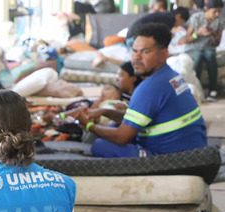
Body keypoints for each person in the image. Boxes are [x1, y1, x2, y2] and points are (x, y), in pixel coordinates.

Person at [78, 22, 207, 158]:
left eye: (145, 52)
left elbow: (122, 137)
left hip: (170, 159)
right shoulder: (171, 76)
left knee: (100, 145)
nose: (137, 58)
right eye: (134, 51)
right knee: (112, 129)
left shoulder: (149, 88)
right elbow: (137, 119)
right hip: (195, 151)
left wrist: (89, 126)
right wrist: (104, 111)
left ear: (163, 55)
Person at [180, 0, 224, 101]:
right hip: (194, 48)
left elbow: (217, 43)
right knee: (198, 56)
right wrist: (198, 33)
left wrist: (213, 35)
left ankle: (213, 90)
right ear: (207, 9)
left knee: (210, 56)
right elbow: (187, 39)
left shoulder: (220, 21)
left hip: (209, 48)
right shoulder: (196, 18)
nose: (217, 14)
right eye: (215, 11)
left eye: (219, 11)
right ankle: (196, 89)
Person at [125, 7, 190, 46]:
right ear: (178, 16)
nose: (179, 25)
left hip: (131, 37)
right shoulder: (171, 19)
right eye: (181, 22)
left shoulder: (165, 16)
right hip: (134, 39)